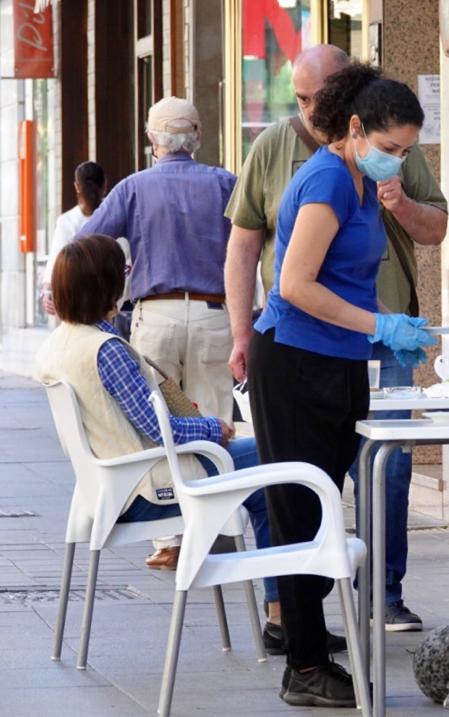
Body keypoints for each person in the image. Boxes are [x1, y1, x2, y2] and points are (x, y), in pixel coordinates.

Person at [225, 44, 447, 632]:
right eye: (390, 150)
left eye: (404, 152)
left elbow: (347, 276)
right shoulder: (326, 179)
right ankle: (303, 659)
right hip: (299, 360)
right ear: (355, 126)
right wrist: (381, 325)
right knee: (304, 515)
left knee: (327, 508)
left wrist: (387, 320)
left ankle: (322, 642)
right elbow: (295, 284)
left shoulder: (359, 181)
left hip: (336, 356)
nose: (397, 162)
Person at [32, 235, 298, 646]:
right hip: (147, 490)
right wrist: (214, 428)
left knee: (263, 474)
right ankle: (285, 617)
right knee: (272, 459)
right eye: (123, 272)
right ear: (106, 287)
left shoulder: (59, 344)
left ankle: (283, 616)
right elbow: (159, 429)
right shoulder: (106, 350)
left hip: (104, 490)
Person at [77, 96, 237, 424]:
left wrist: (119, 274)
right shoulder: (224, 183)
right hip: (214, 316)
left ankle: (168, 477)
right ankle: (213, 475)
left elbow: (84, 244)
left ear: (151, 138)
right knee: (216, 425)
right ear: (198, 136)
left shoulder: (133, 188)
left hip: (157, 316)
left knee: (157, 422)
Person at [41, 161, 106, 316]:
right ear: (105, 185)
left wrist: (47, 291)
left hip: (76, 303)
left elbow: (56, 259)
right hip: (109, 300)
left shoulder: (66, 221)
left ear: (77, 186)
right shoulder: (114, 214)